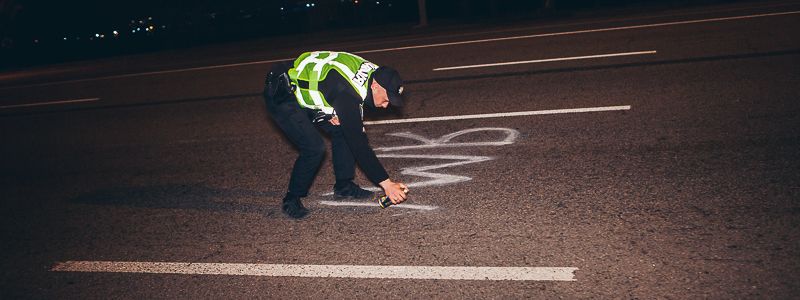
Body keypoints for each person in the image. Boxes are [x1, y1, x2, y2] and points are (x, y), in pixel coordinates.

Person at [263, 51, 409, 219]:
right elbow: (359, 145)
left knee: (343, 128)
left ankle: (344, 186)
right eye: (386, 99)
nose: (385, 106)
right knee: (314, 148)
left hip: (313, 85)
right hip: (283, 94)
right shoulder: (347, 94)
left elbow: (335, 85)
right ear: (375, 86)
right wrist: (387, 184)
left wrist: (333, 108)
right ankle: (292, 198)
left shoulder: (375, 74)